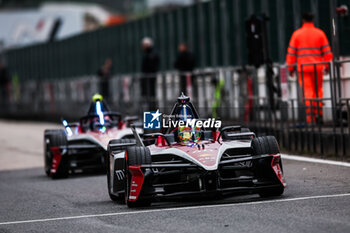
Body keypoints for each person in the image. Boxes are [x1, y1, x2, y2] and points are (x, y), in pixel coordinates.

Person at [286, 12, 333, 123]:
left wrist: (290, 69)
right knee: (318, 91)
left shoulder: (297, 34)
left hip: (303, 68)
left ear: (303, 20)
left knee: (308, 91)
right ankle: (319, 113)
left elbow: (291, 53)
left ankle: (310, 117)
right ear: (313, 20)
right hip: (317, 67)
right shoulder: (320, 34)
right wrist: (327, 66)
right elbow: (327, 52)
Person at [141, 37, 159, 110]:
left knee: (151, 97)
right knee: (149, 98)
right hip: (148, 79)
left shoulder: (151, 54)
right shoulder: (149, 54)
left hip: (149, 79)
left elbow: (150, 66)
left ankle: (152, 113)